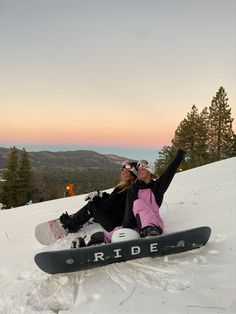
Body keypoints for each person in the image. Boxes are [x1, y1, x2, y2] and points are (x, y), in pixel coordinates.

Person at [84, 149, 186, 246]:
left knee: (139, 203)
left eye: (143, 169)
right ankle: (96, 243)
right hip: (134, 226)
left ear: (150, 172)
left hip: (153, 224)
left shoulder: (157, 187)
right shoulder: (134, 188)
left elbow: (170, 171)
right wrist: (126, 227)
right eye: (139, 169)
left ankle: (150, 231)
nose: (140, 171)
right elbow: (129, 209)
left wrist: (180, 154)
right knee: (117, 232)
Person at [59, 160, 138, 233]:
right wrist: (101, 194)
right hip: (118, 220)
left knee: (92, 205)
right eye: (123, 171)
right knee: (95, 203)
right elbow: (114, 200)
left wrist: (95, 198)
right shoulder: (130, 188)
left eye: (127, 172)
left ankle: (70, 225)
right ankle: (79, 218)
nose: (123, 173)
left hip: (113, 224)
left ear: (133, 176)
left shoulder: (124, 190)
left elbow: (106, 206)